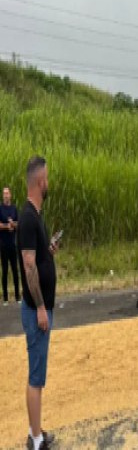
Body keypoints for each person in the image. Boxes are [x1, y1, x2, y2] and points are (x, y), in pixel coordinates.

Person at [17, 156, 58, 450]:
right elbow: (28, 267)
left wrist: (49, 251)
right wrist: (41, 308)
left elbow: (38, 259)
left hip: (39, 309)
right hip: (36, 312)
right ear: (40, 181)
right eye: (47, 178)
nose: (49, 183)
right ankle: (35, 440)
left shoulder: (34, 215)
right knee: (35, 376)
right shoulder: (29, 218)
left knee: (38, 376)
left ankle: (36, 430)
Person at [0, 186, 20, 305]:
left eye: (7, 193)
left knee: (15, 270)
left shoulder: (14, 208)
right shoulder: (0, 208)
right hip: (3, 244)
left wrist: (13, 224)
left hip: (13, 244)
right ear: (3, 196)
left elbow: (18, 223)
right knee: (5, 271)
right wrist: (6, 226)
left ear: (10, 195)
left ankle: (18, 297)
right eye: (4, 193)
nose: (6, 195)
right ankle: (6, 298)